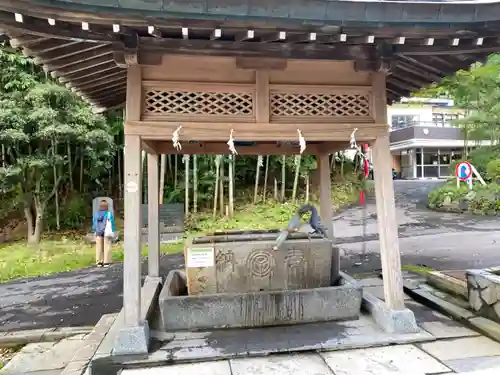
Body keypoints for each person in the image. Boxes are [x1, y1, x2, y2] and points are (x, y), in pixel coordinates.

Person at [92, 199, 115, 268]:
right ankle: (106, 262)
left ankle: (99, 262)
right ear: (106, 206)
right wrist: (112, 232)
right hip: (106, 232)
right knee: (107, 246)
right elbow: (111, 224)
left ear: (100, 206)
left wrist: (95, 230)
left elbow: (94, 223)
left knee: (99, 247)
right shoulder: (108, 214)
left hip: (98, 232)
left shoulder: (96, 214)